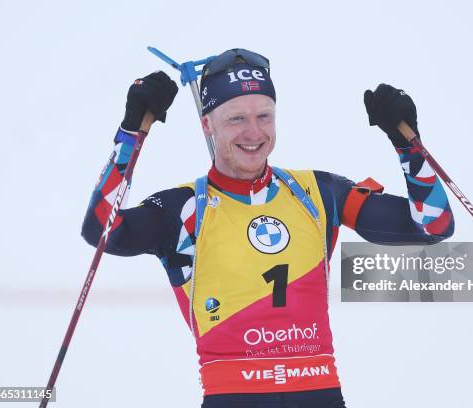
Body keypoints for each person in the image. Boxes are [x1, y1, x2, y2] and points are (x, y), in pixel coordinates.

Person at [82, 48, 454, 408]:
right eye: (236, 119)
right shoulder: (183, 208)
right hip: (231, 397)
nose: (253, 132)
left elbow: (433, 225)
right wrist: (131, 134)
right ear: (207, 123)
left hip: (321, 393)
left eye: (265, 116)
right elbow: (101, 231)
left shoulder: (320, 193)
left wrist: (408, 145)